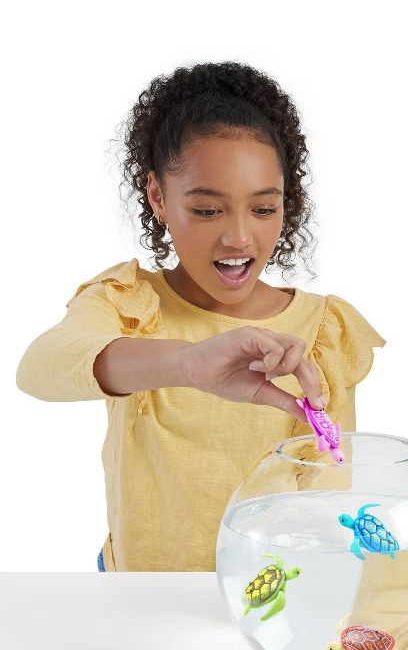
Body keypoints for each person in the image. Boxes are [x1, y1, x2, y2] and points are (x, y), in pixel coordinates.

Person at [16, 61, 384, 572]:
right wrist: (187, 364)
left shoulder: (322, 331)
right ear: (158, 197)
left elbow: (328, 491)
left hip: (267, 596)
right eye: (208, 210)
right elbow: (39, 367)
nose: (239, 237)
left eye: (263, 209)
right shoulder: (128, 303)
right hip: (136, 592)